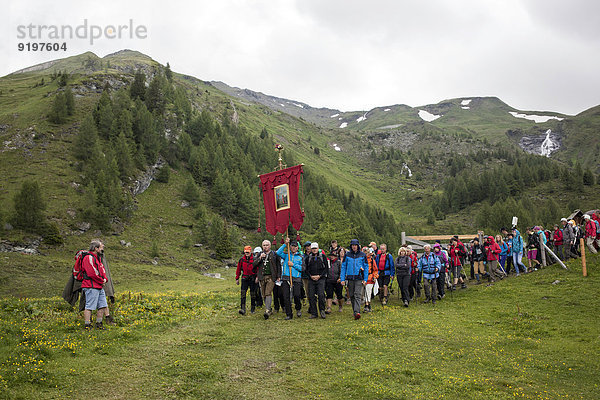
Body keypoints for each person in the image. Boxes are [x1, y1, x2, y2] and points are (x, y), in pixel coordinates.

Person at [81, 239, 109, 330]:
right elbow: (92, 273)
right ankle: (87, 325)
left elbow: (102, 269)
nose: (102, 249)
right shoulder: (88, 257)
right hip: (91, 285)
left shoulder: (98, 258)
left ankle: (99, 324)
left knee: (102, 305)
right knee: (89, 306)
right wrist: (102, 280)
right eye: (101, 247)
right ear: (96, 248)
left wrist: (105, 279)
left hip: (99, 286)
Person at [253, 239, 282, 320]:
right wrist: (259, 258)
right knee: (263, 294)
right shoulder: (259, 254)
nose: (265, 247)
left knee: (268, 292)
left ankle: (267, 310)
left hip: (271, 276)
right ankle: (269, 308)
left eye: (267, 245)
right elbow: (254, 264)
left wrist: (279, 276)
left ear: (270, 246)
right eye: (264, 245)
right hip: (262, 276)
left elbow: (278, 265)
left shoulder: (274, 254)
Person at [341, 239, 368, 320]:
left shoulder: (362, 255)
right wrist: (342, 278)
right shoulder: (347, 255)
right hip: (349, 277)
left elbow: (366, 267)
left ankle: (357, 312)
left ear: (358, 246)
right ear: (351, 246)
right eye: (353, 245)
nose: (354, 247)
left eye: (355, 245)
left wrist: (365, 279)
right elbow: (343, 266)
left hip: (359, 277)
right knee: (351, 295)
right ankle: (355, 311)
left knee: (357, 294)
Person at [277, 238, 304, 320]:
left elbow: (302, 268)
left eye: (295, 247)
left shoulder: (301, 257)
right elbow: (278, 252)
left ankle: (298, 308)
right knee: (286, 297)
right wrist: (285, 244)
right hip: (286, 278)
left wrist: (293, 265)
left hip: (296, 279)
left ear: (297, 248)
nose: (293, 248)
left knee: (297, 295)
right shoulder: (286, 255)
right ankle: (289, 314)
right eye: (292, 246)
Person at [303, 242, 328, 319]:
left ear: (318, 248)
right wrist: (310, 276)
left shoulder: (323, 256)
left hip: (321, 278)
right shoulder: (308, 258)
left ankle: (322, 310)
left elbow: (326, 268)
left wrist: (320, 276)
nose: (314, 250)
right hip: (311, 279)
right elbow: (305, 269)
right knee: (311, 296)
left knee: (321, 295)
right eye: (313, 248)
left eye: (315, 248)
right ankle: (314, 313)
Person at [236, 245, 257, 315]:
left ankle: (253, 308)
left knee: (253, 294)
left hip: (252, 278)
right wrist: (237, 278)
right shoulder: (241, 260)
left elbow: (257, 269)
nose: (246, 253)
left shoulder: (254, 259)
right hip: (244, 278)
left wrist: (257, 277)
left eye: (248, 252)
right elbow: (238, 269)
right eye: (245, 252)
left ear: (251, 252)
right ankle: (243, 309)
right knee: (243, 293)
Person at [325, 248, 344, 314]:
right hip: (329, 280)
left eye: (333, 255)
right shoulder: (328, 262)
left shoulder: (339, 262)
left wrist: (340, 278)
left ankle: (340, 306)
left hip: (337, 280)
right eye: (331, 255)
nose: (332, 257)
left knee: (339, 295)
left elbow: (342, 271)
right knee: (329, 294)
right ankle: (329, 307)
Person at [363, 247, 379, 313]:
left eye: (367, 252)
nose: (366, 254)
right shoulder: (361, 260)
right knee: (363, 293)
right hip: (362, 277)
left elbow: (375, 270)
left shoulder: (372, 260)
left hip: (370, 278)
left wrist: (375, 277)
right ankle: (368, 305)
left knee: (368, 291)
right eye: (364, 252)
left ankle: (367, 305)